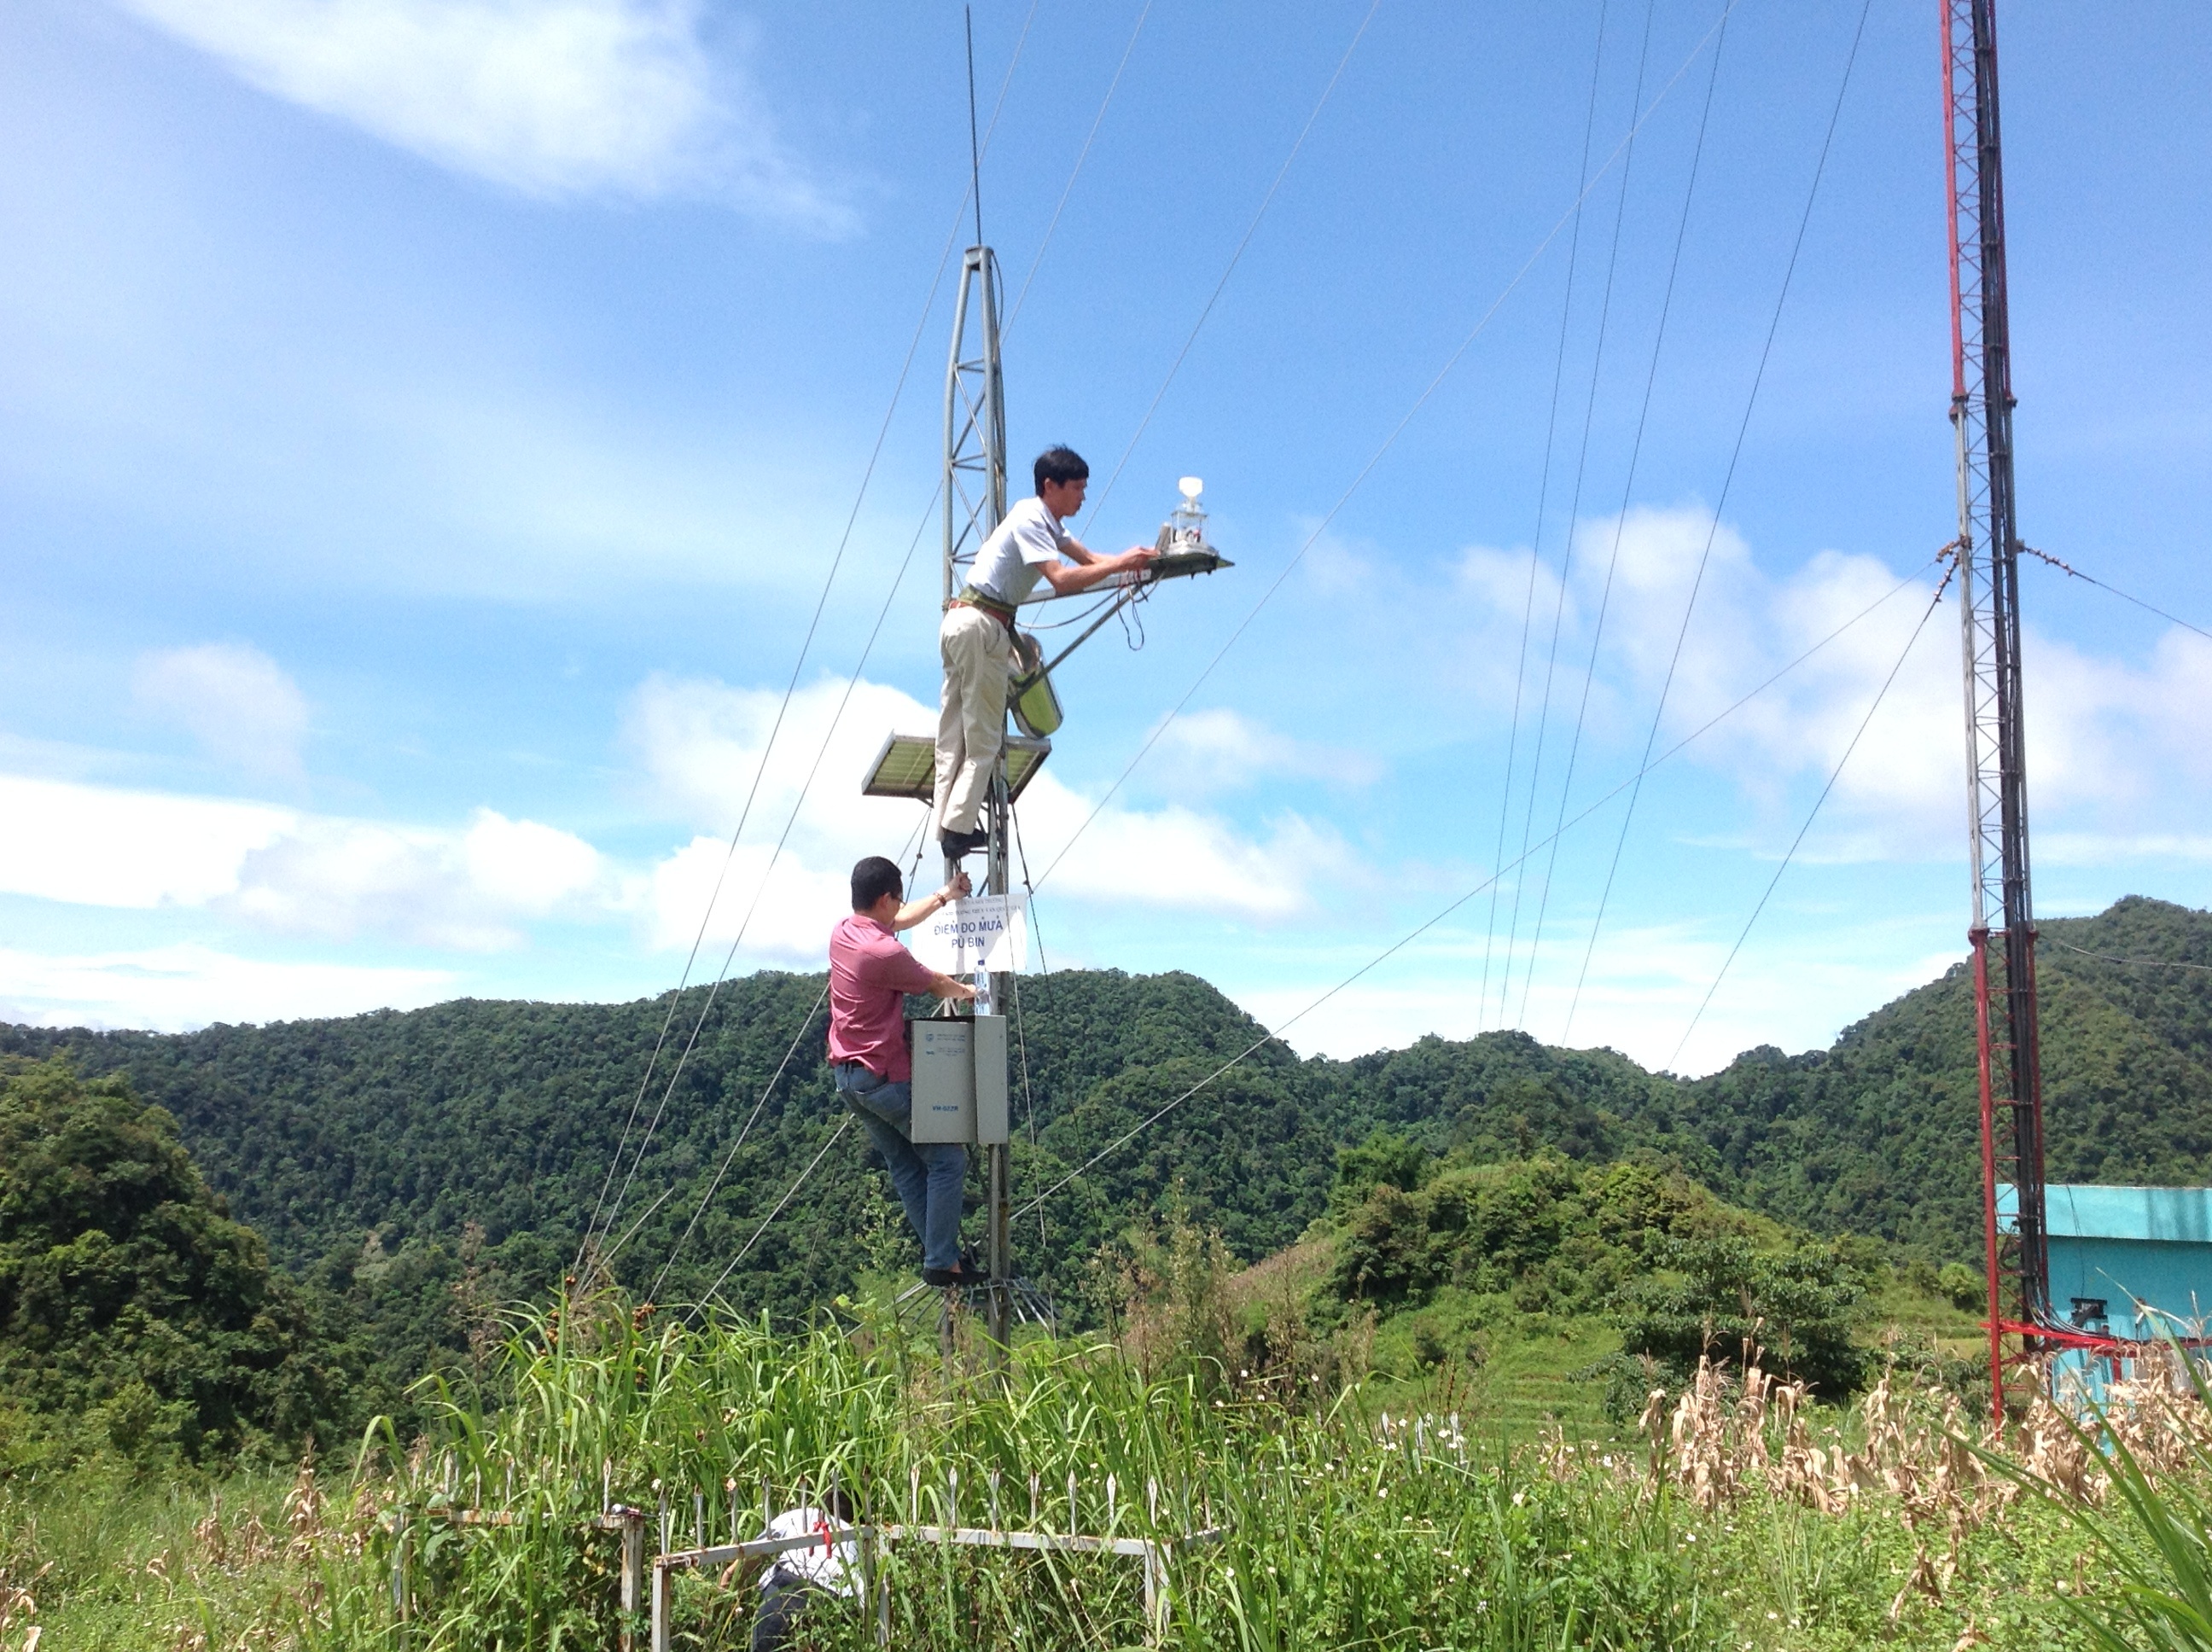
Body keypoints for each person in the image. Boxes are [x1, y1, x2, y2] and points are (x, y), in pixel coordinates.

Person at [934, 445, 1160, 860]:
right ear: (1050, 486)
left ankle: (950, 826)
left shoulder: (1045, 520)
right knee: (983, 738)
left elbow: (1091, 559)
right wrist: (1123, 564)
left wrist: (1138, 563)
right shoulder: (1031, 520)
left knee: (953, 735)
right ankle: (956, 831)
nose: (1082, 497)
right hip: (982, 624)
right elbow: (1062, 580)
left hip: (961, 620)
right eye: (1077, 488)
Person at [828, 855, 980, 1286]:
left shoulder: (845, 932)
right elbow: (933, 981)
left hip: (848, 1077)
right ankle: (940, 1261)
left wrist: (944, 896)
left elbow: (899, 920)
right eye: (896, 900)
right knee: (947, 1159)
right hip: (882, 1079)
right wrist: (968, 991)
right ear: (883, 899)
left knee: (907, 1166)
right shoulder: (884, 953)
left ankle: (940, 1255)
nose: (899, 907)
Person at [724, 1486, 861, 1652]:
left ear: (822, 1504)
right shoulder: (859, 1536)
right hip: (834, 1602)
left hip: (785, 1593)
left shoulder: (802, 1515)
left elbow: (751, 1558)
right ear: (855, 1517)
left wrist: (727, 1583)